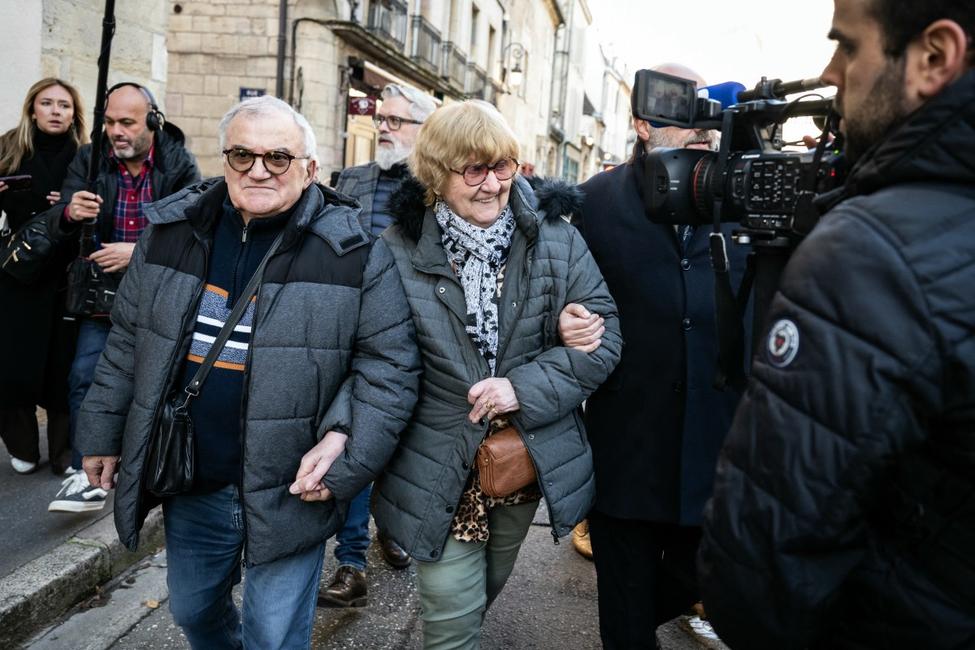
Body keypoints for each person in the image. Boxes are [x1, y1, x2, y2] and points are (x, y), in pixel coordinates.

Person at [76, 95, 421, 649]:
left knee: (274, 635)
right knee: (192, 611)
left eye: (278, 157)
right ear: (225, 159)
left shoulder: (354, 252)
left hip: (292, 487)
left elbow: (390, 366)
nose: (259, 169)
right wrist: (100, 431)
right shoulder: (170, 233)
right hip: (195, 475)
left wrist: (345, 437)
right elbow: (126, 345)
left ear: (309, 169)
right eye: (243, 155)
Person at [698, 2, 975, 649]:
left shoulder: (870, 254)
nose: (828, 71)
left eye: (847, 46)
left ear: (933, 58)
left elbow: (756, 580)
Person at [373, 100, 622, 649]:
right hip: (434, 459)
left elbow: (605, 344)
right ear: (437, 175)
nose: (491, 185)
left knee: (483, 593)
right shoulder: (395, 250)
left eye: (502, 166)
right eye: (473, 170)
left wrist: (523, 387)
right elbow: (378, 362)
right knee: (452, 621)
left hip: (521, 460)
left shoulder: (557, 240)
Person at [565, 63, 750, 648]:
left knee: (708, 571)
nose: (700, 123)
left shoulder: (746, 197)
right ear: (642, 122)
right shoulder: (594, 202)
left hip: (721, 444)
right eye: (679, 107)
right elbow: (561, 290)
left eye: (706, 109)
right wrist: (562, 318)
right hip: (629, 446)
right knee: (623, 614)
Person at [45, 82, 200, 512]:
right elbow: (62, 215)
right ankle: (85, 472)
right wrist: (71, 211)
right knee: (85, 376)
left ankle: (144, 464)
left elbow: (193, 228)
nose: (116, 131)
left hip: (155, 292)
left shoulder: (178, 163)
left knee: (156, 384)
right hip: (99, 293)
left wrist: (138, 252)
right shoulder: (89, 158)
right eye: (109, 121)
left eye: (127, 122)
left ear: (152, 121)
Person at [319, 83, 437, 607]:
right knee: (355, 435)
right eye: (381, 118)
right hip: (351, 329)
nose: (383, 126)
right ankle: (351, 561)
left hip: (415, 333)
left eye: (396, 120)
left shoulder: (437, 185)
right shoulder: (351, 178)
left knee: (400, 441)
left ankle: (391, 524)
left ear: (423, 131)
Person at [0, 78, 87, 475]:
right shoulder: (9, 146)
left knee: (63, 366)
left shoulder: (87, 157)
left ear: (74, 113)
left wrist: (71, 205)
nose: (56, 111)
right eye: (47, 103)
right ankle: (22, 446)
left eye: (64, 105)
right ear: (32, 108)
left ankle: (65, 453)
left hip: (67, 273)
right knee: (14, 363)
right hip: (18, 274)